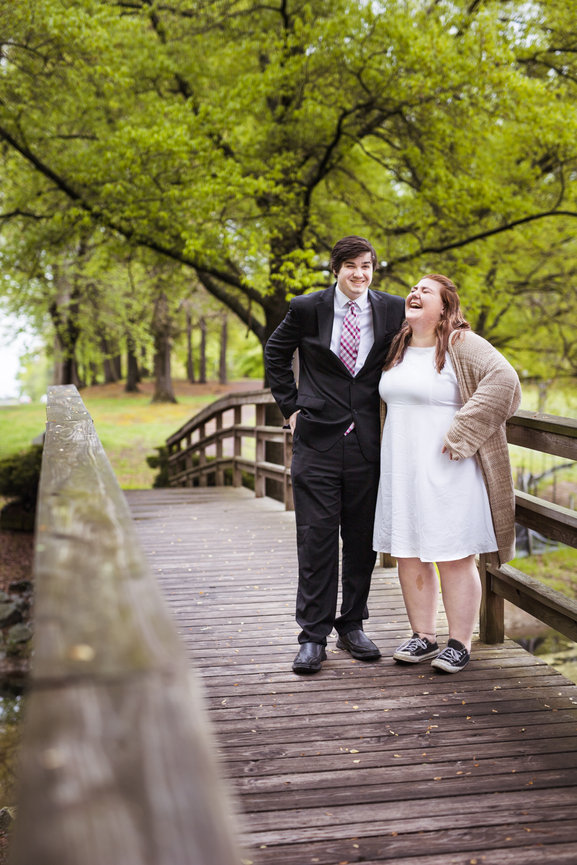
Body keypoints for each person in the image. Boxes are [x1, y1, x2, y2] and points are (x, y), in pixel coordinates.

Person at [264, 236, 405, 674]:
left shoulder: (393, 309)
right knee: (317, 539)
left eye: (366, 266)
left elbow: (434, 336)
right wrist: (290, 410)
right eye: (351, 266)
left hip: (367, 443)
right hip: (317, 441)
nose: (359, 274)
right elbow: (275, 352)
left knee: (361, 541)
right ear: (336, 269)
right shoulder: (308, 308)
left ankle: (352, 626)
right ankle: (312, 636)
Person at [373, 273, 521, 673]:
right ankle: (423, 636)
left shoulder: (461, 344)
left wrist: (462, 431)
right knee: (407, 551)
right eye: (413, 289)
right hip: (401, 470)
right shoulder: (397, 346)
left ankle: (458, 642)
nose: (414, 294)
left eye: (426, 291)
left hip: (449, 469)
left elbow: (505, 381)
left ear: (445, 306)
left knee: (454, 555)